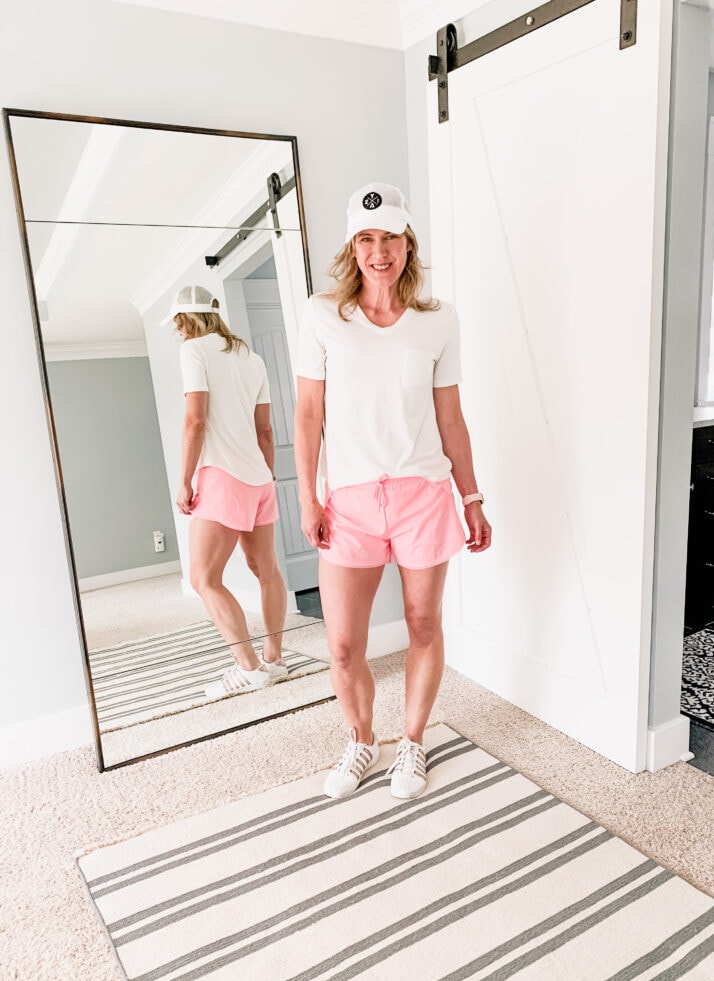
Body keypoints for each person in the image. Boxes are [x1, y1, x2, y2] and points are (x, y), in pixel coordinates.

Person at [294, 182, 491, 801]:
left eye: (391, 239)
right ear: (352, 248)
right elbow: (308, 414)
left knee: (423, 623)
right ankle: (361, 740)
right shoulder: (323, 315)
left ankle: (411, 741)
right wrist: (307, 496)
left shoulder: (439, 320)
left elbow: (450, 416)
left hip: (423, 495)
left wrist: (472, 498)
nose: (379, 252)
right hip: (349, 502)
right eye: (367, 239)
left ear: (409, 244)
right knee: (343, 644)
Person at [163, 284, 288, 699]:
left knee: (203, 577)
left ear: (186, 320)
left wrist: (185, 480)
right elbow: (265, 430)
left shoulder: (193, 351)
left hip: (222, 476)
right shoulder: (250, 358)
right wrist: (266, 478)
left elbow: (195, 421)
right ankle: (274, 659)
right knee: (267, 571)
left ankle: (249, 668)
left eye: (178, 323)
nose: (178, 331)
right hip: (259, 478)